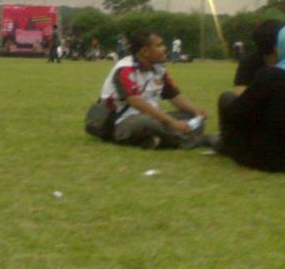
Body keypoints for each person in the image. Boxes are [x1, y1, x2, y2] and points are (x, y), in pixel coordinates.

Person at [97, 30, 214, 149]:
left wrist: (196, 111)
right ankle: (195, 141)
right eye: (159, 45)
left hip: (151, 117)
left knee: (192, 118)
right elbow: (137, 102)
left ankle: (153, 141)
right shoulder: (125, 69)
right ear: (145, 52)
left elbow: (173, 96)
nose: (165, 48)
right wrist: (172, 122)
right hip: (121, 123)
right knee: (148, 122)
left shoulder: (159, 69)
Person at [217, 26, 285, 171]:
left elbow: (238, 110)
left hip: (269, 158)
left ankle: (225, 145)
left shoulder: (269, 76)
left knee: (227, 99)